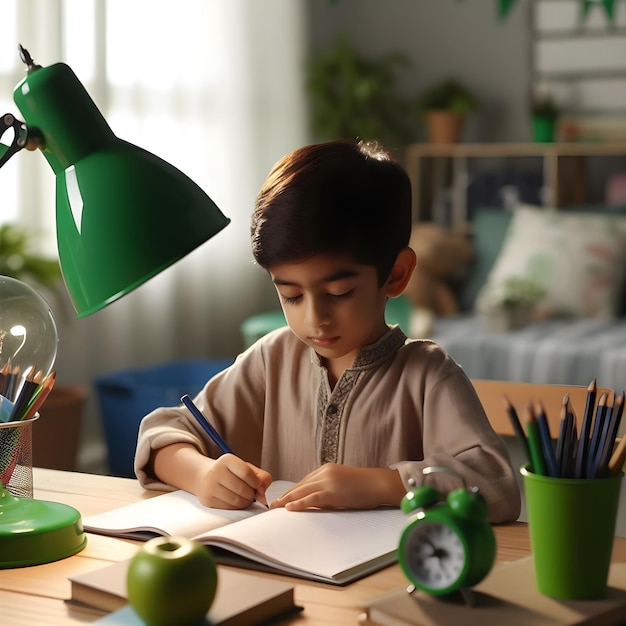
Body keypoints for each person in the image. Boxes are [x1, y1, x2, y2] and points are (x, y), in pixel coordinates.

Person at [135, 139, 521, 523]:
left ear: (396, 274)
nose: (315, 318)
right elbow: (162, 433)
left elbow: (497, 487)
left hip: (385, 578)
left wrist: (383, 485)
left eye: (339, 292)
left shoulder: (427, 375)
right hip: (280, 569)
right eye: (291, 295)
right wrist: (201, 474)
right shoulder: (271, 361)